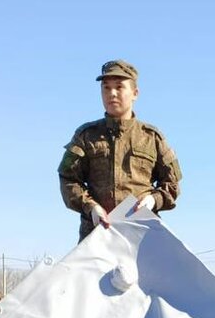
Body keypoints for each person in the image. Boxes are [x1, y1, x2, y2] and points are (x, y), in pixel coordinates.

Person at [57, 60, 182, 242]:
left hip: (141, 237)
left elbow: (172, 184)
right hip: (97, 236)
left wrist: (153, 201)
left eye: (119, 87)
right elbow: (68, 179)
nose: (112, 94)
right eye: (106, 88)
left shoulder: (152, 137)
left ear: (135, 93)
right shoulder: (85, 135)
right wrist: (91, 207)